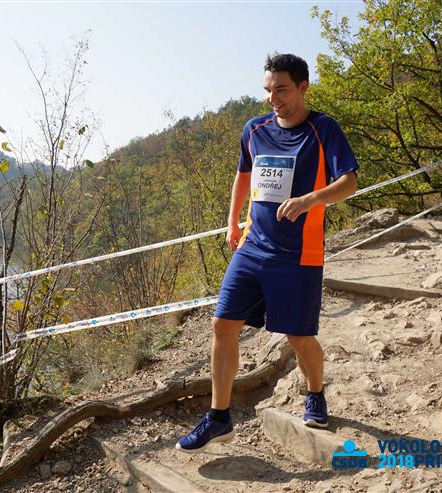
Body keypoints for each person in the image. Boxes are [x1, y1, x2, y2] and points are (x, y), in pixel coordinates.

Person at [176, 53, 359, 453]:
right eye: (268, 90)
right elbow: (243, 174)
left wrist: (310, 199)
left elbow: (349, 183)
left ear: (303, 87)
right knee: (223, 325)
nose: (273, 98)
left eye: (282, 89)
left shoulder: (323, 128)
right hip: (253, 246)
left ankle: (315, 393)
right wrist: (232, 221)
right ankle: (219, 418)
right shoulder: (254, 129)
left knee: (299, 336)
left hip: (298, 253)